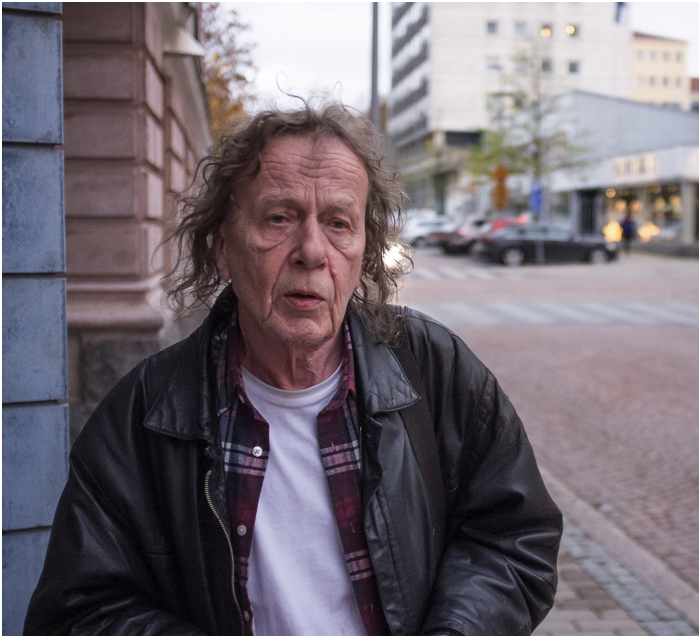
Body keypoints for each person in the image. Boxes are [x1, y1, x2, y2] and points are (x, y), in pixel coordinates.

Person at [24, 104, 562, 636]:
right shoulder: (145, 414)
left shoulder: (434, 371)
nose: (311, 251)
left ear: (364, 251)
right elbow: (80, 612)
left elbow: (514, 540)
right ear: (222, 249)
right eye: (279, 218)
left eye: (339, 223)